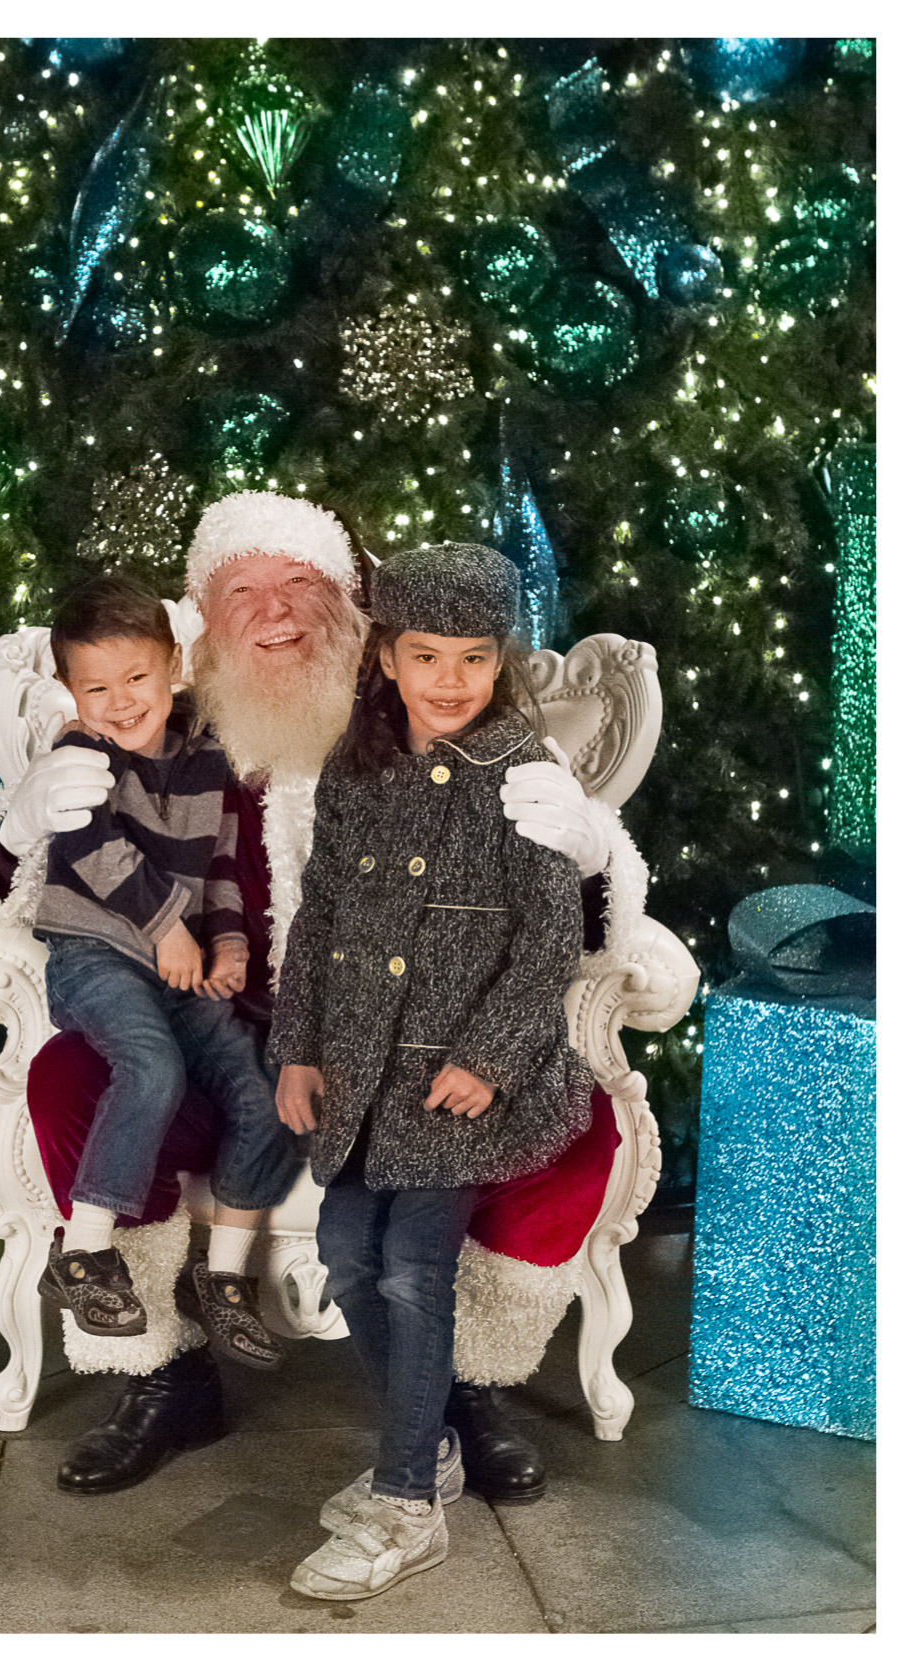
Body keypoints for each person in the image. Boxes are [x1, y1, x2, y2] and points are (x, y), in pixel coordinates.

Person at [0, 490, 641, 1499]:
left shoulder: (423, 717)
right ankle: (162, 1371)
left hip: (415, 1046)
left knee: (579, 1131)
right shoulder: (159, 724)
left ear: (355, 610)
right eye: (243, 591)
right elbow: (43, 881)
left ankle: (467, 1382)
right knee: (68, 1085)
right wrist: (20, 825)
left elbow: (548, 918)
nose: (275, 611)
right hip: (215, 1035)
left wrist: (591, 852)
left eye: (300, 584)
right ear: (201, 620)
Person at [271, 541, 594, 1599]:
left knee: (414, 1267)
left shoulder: (524, 777)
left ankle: (408, 1499)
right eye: (426, 656)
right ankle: (437, 1446)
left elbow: (548, 942)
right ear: (387, 657)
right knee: (345, 1254)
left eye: (473, 658)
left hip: (459, 1085)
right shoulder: (356, 768)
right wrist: (298, 1048)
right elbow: (319, 917)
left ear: (500, 661)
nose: (450, 681)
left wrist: (487, 1060)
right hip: (364, 1073)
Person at [32, 572, 302, 1368]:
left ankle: (223, 1278)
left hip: (177, 964)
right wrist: (164, 930)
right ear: (69, 690)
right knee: (151, 1066)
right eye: (97, 688)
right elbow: (89, 848)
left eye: (137, 678)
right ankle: (84, 1251)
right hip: (95, 954)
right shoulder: (81, 752)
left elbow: (219, 864)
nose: (120, 703)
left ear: (173, 667)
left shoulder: (205, 755)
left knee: (264, 1092)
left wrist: (230, 945)